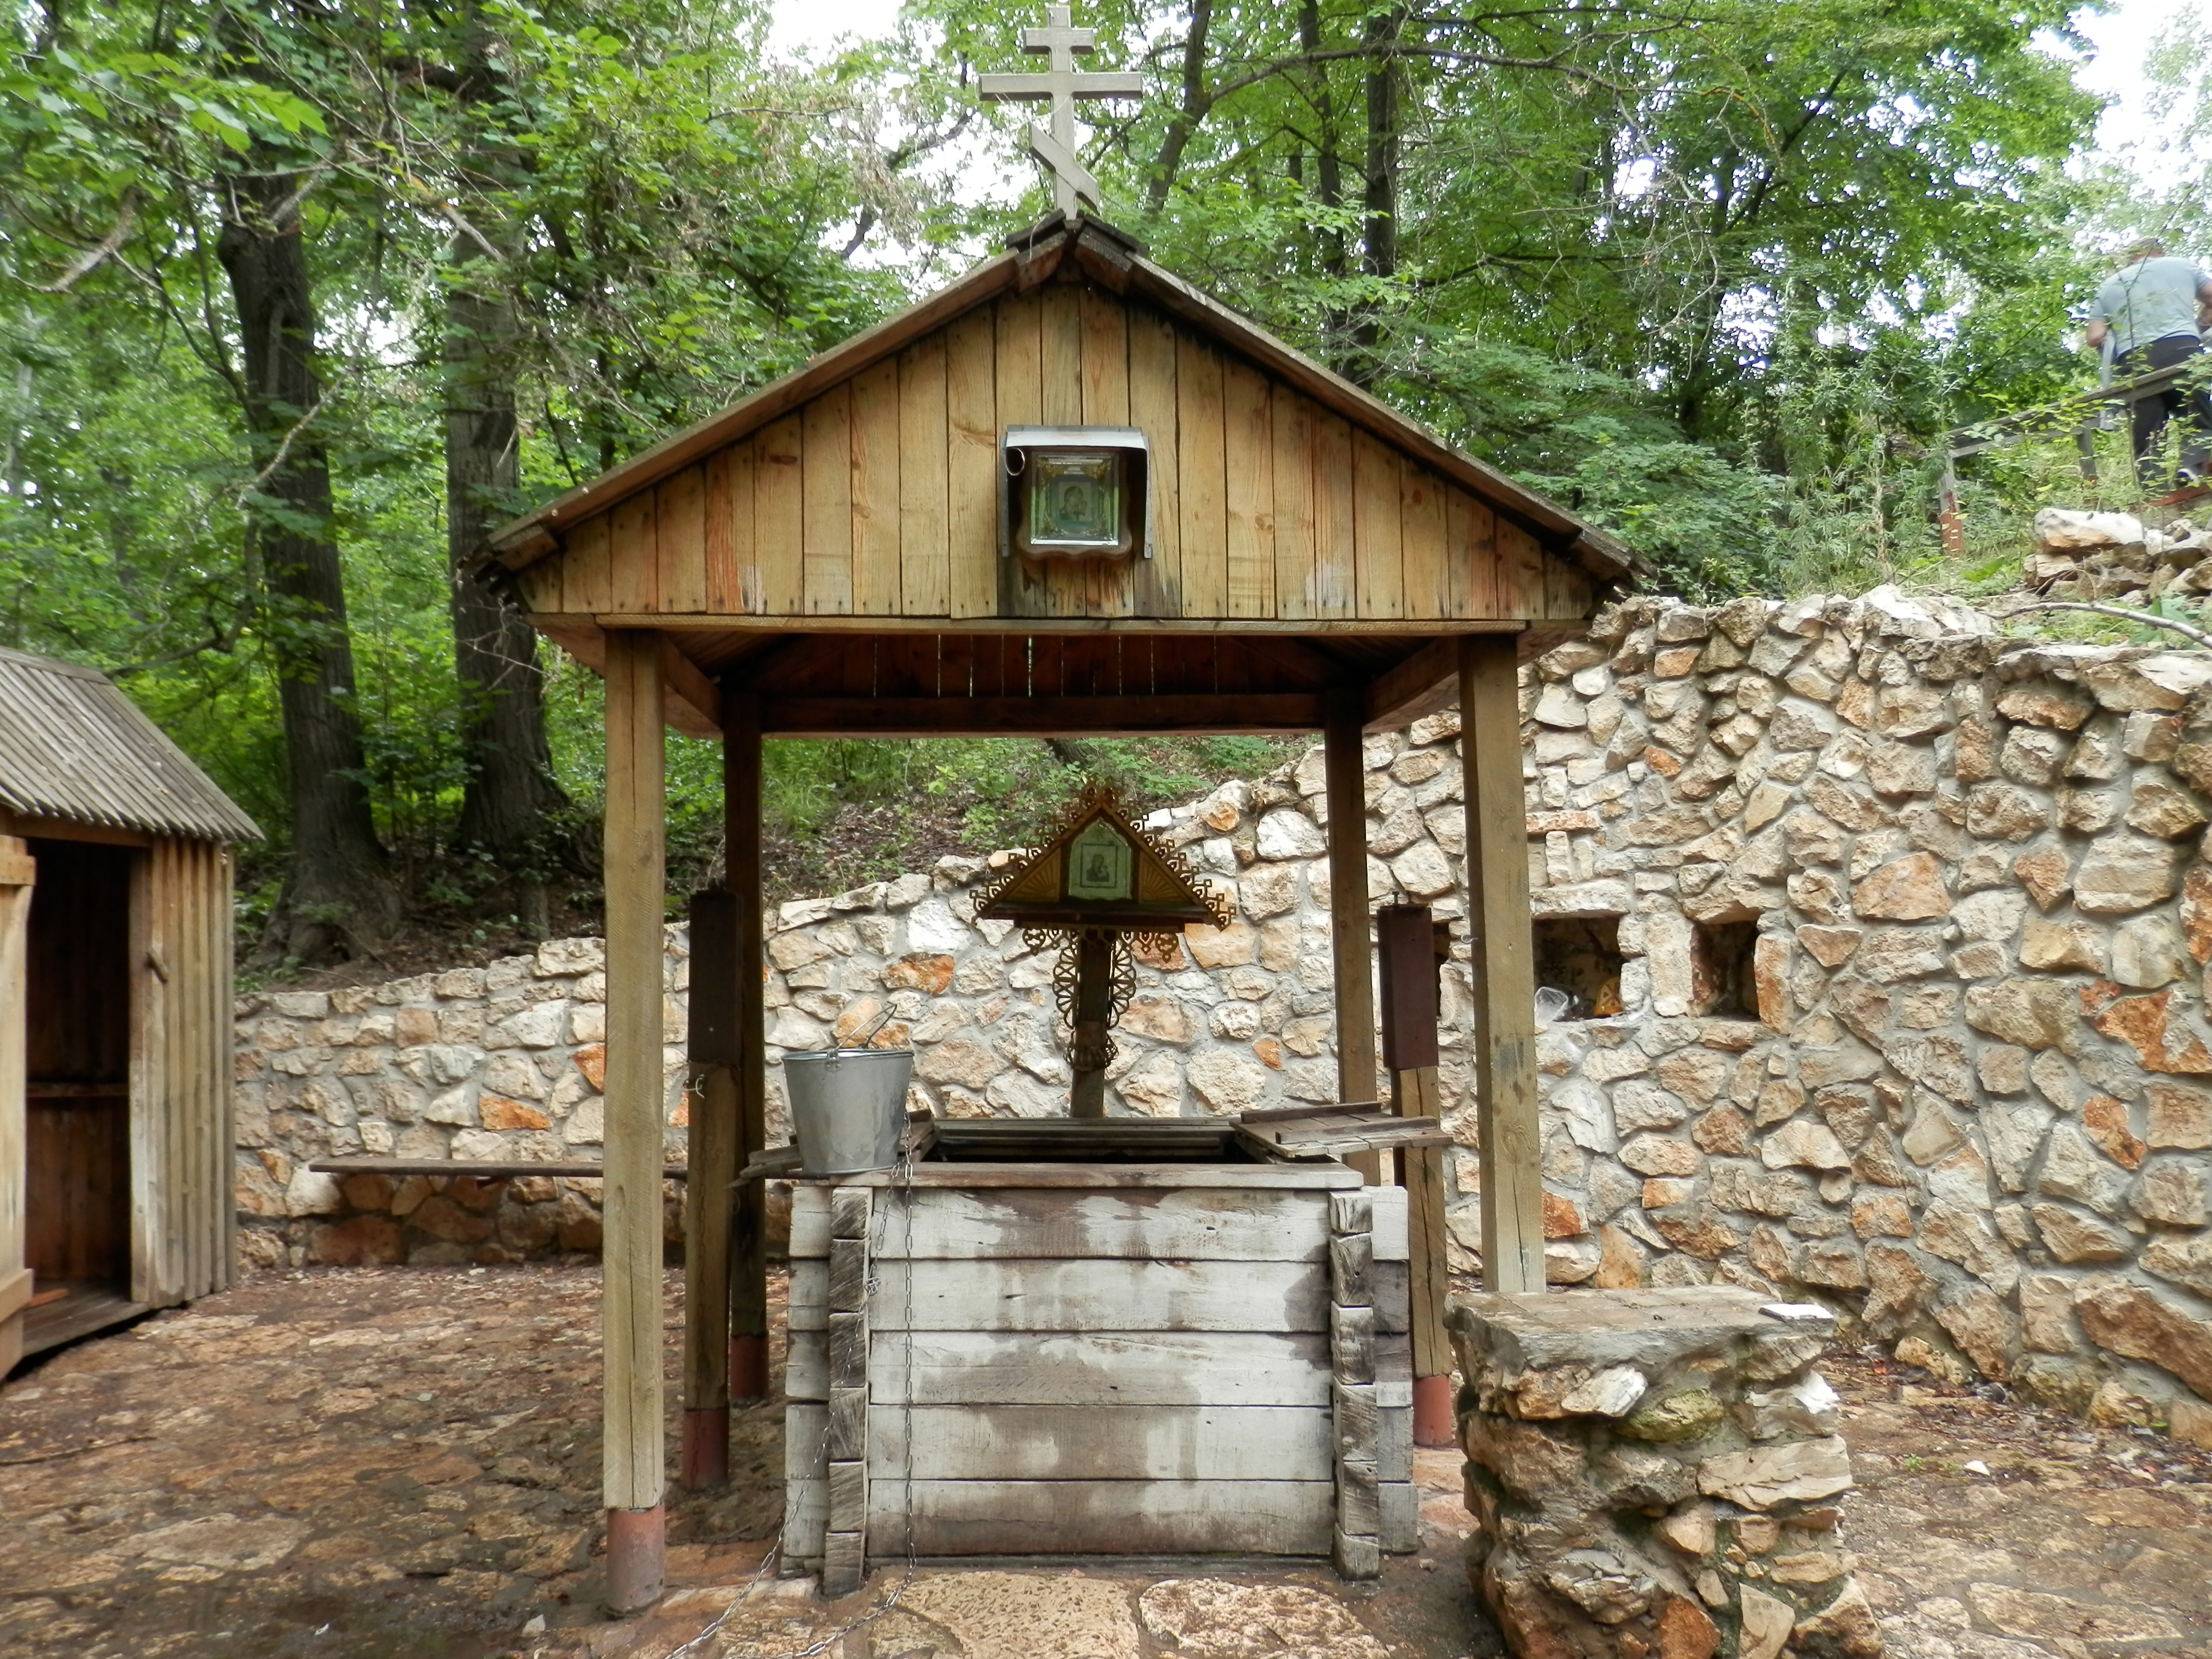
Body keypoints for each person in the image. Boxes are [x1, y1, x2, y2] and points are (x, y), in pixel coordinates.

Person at [2085, 239, 2212, 485]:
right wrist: (2200, 324)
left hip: (2132, 362)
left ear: (2129, 258)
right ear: (2160, 252)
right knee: (2200, 416)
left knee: (2148, 429)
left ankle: (2152, 490)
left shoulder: (2110, 285)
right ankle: (2190, 467)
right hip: (2181, 348)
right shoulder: (2182, 266)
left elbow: (2094, 337)